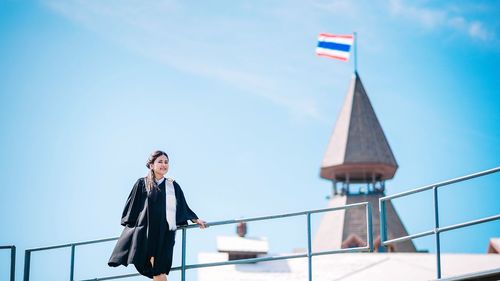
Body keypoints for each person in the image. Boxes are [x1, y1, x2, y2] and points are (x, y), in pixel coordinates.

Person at [108, 150, 206, 281]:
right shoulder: (142, 183)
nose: (164, 164)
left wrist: (195, 219)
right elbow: (132, 209)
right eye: (160, 161)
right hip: (146, 233)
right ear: (151, 165)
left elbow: (182, 206)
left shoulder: (173, 186)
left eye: (166, 162)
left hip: (164, 234)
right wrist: (131, 233)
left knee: (158, 269)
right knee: (156, 269)